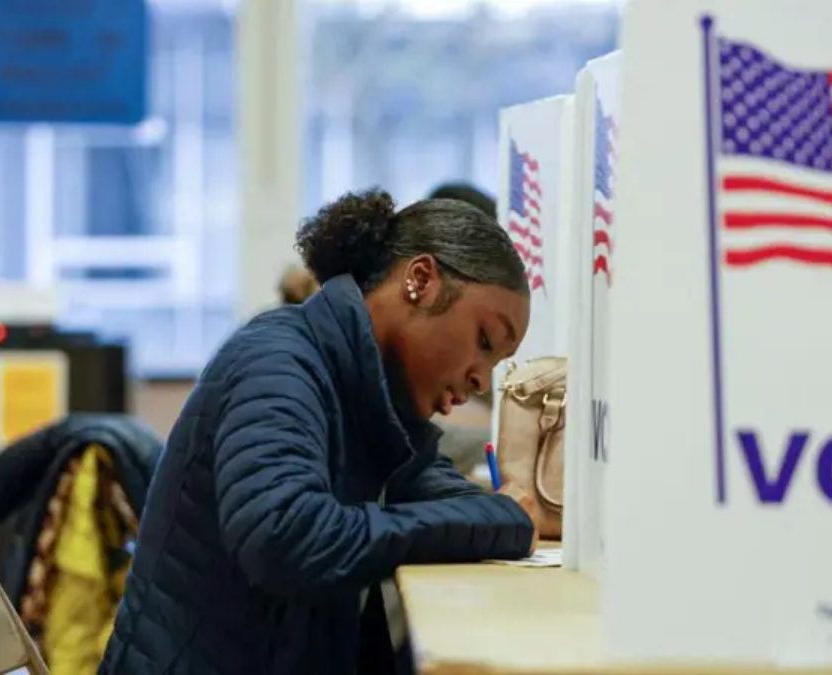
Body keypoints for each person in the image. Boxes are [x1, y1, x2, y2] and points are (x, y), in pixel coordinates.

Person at [98, 189, 540, 675]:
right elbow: (284, 537)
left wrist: (503, 518)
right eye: (483, 341)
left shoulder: (368, 392)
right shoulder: (279, 362)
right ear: (420, 280)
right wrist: (498, 523)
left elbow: (431, 485)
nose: (482, 378)